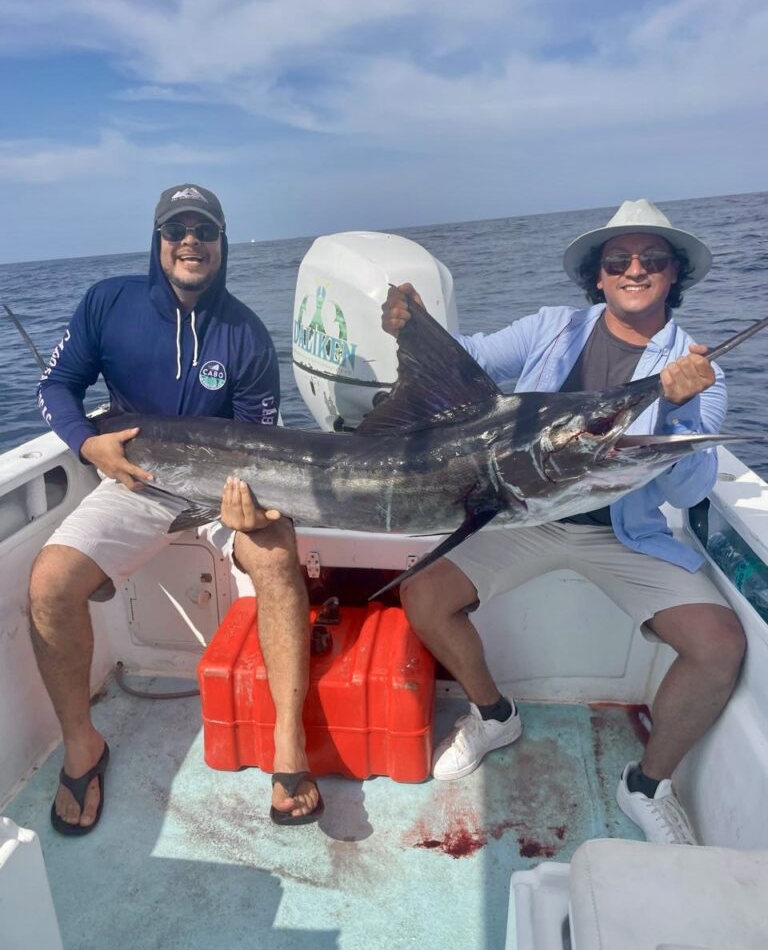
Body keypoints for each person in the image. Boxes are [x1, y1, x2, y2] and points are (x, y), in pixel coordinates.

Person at [381, 198, 745, 846]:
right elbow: (468, 360)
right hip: (529, 516)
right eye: (619, 259)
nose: (635, 269)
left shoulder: (695, 370)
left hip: (621, 533)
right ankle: (494, 715)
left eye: (653, 259)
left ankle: (646, 783)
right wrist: (413, 325)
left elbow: (691, 485)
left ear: (673, 274)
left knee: (719, 646)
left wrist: (683, 414)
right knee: (423, 595)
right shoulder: (552, 328)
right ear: (599, 276)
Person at [30, 183, 322, 835]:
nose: (190, 239)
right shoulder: (109, 303)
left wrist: (250, 507)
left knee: (277, 560)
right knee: (49, 585)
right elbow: (56, 386)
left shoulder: (245, 333)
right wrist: (89, 445)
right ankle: (84, 746)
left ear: (221, 244)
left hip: (223, 493)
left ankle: (286, 744)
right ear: (158, 240)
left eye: (204, 229)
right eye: (176, 229)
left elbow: (262, 437)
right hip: (136, 479)